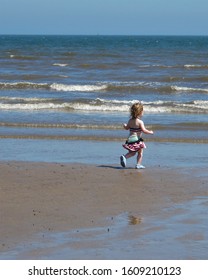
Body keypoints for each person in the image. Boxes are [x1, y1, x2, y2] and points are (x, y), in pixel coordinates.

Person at [120, 102, 154, 169]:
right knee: (140, 153)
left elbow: (127, 128)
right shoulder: (140, 122)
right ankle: (138, 164)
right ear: (140, 112)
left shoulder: (130, 121)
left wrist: (125, 126)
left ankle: (125, 157)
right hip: (137, 140)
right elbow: (144, 130)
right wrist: (150, 132)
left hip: (130, 139)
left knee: (132, 152)